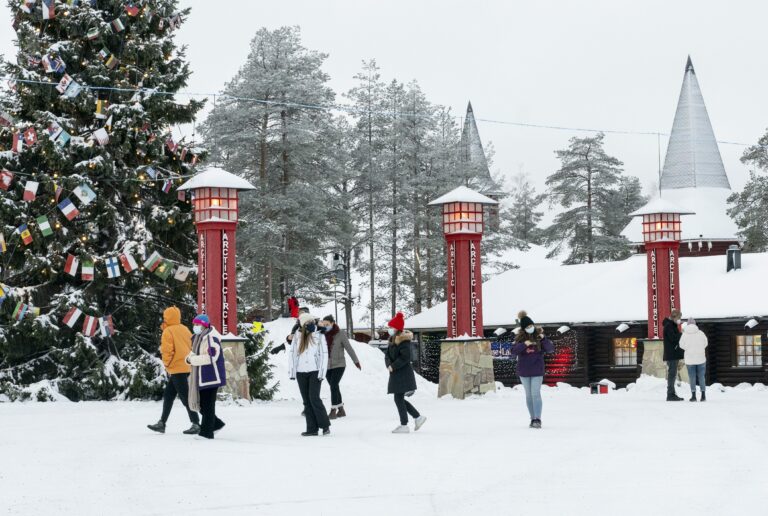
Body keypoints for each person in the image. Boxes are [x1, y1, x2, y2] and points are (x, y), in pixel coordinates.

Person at [147, 307, 200, 435]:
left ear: (167, 317)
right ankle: (162, 423)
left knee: (185, 397)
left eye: (165, 317)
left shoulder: (168, 331)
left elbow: (167, 351)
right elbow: (191, 345)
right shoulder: (185, 329)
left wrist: (167, 365)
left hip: (176, 368)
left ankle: (196, 423)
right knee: (169, 395)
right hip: (186, 366)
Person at [185, 314, 227, 440]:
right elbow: (193, 353)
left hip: (211, 376)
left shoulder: (211, 338)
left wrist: (192, 360)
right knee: (202, 405)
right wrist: (188, 358)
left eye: (197, 324)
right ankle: (216, 424)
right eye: (194, 324)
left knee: (208, 405)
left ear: (204, 325)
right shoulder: (198, 338)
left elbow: (211, 357)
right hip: (201, 377)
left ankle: (206, 433)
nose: (195, 327)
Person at [510, 311, 554, 429]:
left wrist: (544, 339)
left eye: (531, 325)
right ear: (524, 328)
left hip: (537, 371)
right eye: (527, 327)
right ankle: (532, 418)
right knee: (529, 396)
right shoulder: (519, 339)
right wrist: (524, 344)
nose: (530, 328)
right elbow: (513, 352)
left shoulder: (539, 336)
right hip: (524, 371)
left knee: (535, 394)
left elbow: (550, 349)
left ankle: (538, 419)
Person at [289, 312, 331, 436]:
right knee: (306, 401)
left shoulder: (319, 335)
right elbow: (293, 354)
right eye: (307, 323)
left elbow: (324, 354)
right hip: (301, 372)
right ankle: (312, 429)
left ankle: (325, 425)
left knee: (314, 398)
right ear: (302, 325)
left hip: (315, 371)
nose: (310, 324)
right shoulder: (297, 336)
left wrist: (322, 373)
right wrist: (292, 372)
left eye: (311, 322)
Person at [386, 312, 426, 434]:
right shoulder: (392, 340)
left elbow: (405, 358)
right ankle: (418, 418)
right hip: (396, 373)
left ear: (397, 329)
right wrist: (388, 364)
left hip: (403, 374)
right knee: (399, 399)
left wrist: (393, 366)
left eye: (391, 327)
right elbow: (387, 355)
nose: (389, 330)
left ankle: (405, 424)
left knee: (398, 399)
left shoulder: (404, 342)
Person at [319, 315, 361, 419]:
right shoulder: (322, 334)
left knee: (333, 385)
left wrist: (356, 361)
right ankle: (341, 410)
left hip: (339, 364)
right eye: (324, 325)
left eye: (327, 324)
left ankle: (333, 410)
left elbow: (349, 348)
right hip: (327, 366)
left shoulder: (340, 334)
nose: (325, 326)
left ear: (333, 323)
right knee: (334, 387)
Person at [679, 317, 708, 402]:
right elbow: (705, 343)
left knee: (692, 378)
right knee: (701, 377)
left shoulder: (684, 334)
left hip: (690, 359)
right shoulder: (701, 333)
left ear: (688, 324)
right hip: (701, 359)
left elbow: (681, 345)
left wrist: (688, 349)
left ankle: (693, 396)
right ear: (695, 324)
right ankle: (703, 396)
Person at [662, 309, 685, 402]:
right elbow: (673, 338)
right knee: (672, 375)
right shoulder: (669, 326)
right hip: (671, 355)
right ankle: (670, 394)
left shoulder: (671, 325)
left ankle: (672, 394)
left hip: (673, 354)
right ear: (674, 317)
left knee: (673, 374)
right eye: (679, 318)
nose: (680, 320)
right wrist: (681, 334)